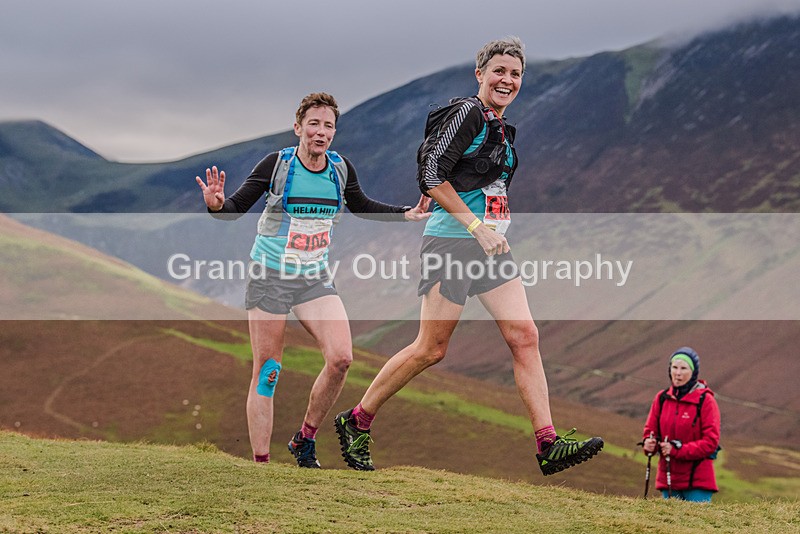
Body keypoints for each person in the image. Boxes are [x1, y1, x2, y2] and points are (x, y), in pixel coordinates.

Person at [334, 37, 604, 475]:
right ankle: (357, 420)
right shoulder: (469, 112)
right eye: (499, 71)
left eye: (515, 74)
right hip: (453, 243)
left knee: (525, 336)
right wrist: (475, 226)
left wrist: (490, 230)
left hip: (491, 247)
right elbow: (431, 175)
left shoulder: (502, 127)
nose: (507, 80)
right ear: (480, 74)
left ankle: (548, 443)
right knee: (430, 349)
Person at [196, 92, 430, 467]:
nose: (321, 132)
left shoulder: (340, 169)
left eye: (328, 126)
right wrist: (217, 205)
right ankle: (261, 465)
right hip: (270, 277)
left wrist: (406, 213)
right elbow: (234, 208)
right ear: (298, 127)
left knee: (341, 359)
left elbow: (362, 205)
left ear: (334, 132)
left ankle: (304, 439)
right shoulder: (278, 165)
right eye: (314, 124)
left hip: (313, 278)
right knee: (268, 371)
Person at [642, 347, 721, 502]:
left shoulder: (706, 401)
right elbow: (650, 431)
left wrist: (677, 450)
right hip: (668, 480)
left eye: (683, 368)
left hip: (697, 482)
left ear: (693, 372)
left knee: (696, 519)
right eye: (674, 367)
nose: (678, 373)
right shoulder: (662, 398)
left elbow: (710, 443)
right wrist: (649, 444)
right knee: (667, 518)